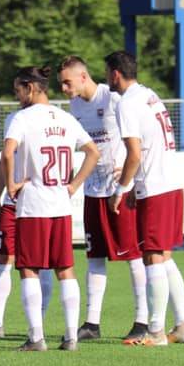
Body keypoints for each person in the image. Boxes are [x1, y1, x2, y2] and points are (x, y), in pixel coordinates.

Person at [2, 65, 99, 351]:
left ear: (30, 88)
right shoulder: (66, 118)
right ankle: (70, 337)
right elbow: (93, 151)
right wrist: (74, 185)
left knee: (29, 269)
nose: (17, 94)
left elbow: (8, 152)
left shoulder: (22, 118)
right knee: (65, 269)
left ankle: (36, 337)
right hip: (60, 204)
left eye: (18, 89)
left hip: (33, 205)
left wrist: (11, 183)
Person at [104, 50, 184, 347]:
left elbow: (133, 153)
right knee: (163, 254)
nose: (107, 79)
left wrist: (122, 188)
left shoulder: (127, 103)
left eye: (107, 73)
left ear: (116, 73)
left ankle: (156, 331)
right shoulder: (149, 94)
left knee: (152, 255)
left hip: (155, 185)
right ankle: (182, 325)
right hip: (169, 181)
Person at [57, 56, 149, 344]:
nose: (63, 88)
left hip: (118, 189)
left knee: (132, 255)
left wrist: (129, 172)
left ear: (84, 77)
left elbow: (138, 137)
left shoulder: (114, 98)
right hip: (93, 190)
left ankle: (142, 320)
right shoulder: (74, 106)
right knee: (94, 256)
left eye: (67, 82)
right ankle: (92, 322)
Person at [0, 110, 55, 340]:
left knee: (42, 262)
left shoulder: (53, 120)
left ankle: (38, 324)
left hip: (41, 204)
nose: (17, 92)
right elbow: (5, 160)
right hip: (12, 203)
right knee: (3, 257)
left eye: (20, 87)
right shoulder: (14, 119)